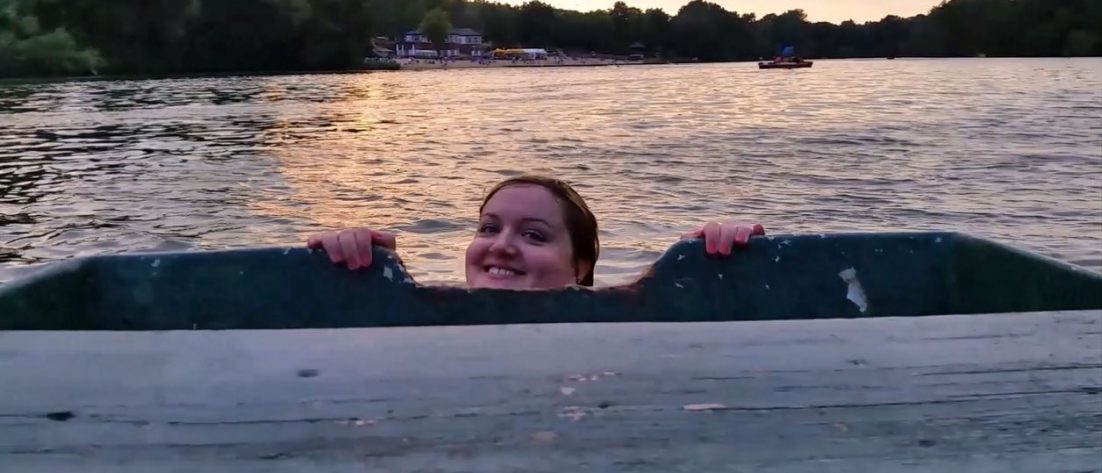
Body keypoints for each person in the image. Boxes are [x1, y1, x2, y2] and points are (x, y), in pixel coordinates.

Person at [307, 175, 765, 290]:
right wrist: (357, 273)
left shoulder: (617, 335)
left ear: (580, 267)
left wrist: (722, 258)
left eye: (534, 235)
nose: (501, 245)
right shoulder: (421, 332)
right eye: (489, 228)